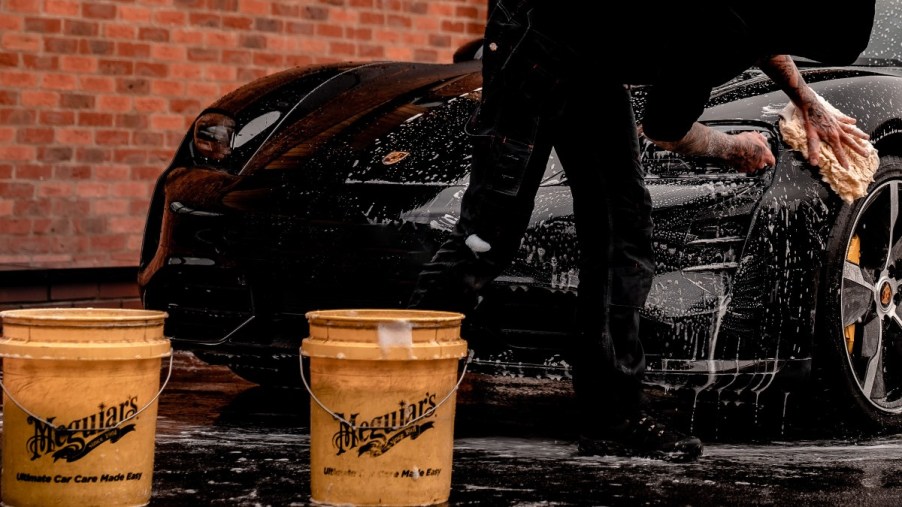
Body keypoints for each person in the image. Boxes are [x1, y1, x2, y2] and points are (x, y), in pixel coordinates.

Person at [408, 1, 876, 462]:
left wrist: (807, 100)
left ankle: (613, 418)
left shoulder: (744, 17)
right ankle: (395, 394)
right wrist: (733, 148)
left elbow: (755, 27)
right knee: (489, 234)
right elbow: (665, 130)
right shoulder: (718, 30)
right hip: (535, 36)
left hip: (592, 54)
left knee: (622, 227)